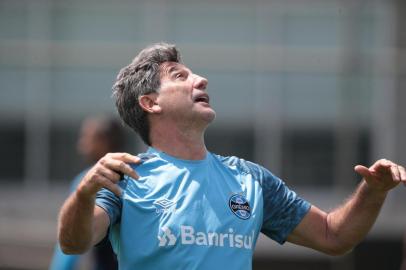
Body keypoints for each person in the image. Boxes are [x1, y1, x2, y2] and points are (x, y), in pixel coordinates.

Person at [57, 43, 406, 270]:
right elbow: (74, 242)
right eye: (181, 76)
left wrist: (372, 192)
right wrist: (84, 193)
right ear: (151, 103)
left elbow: (334, 236)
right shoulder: (125, 176)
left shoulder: (249, 179)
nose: (202, 80)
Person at [50, 116, 124, 270]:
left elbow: (67, 252)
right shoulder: (135, 175)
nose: (81, 145)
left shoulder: (87, 183)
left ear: (104, 141)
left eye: (87, 138)